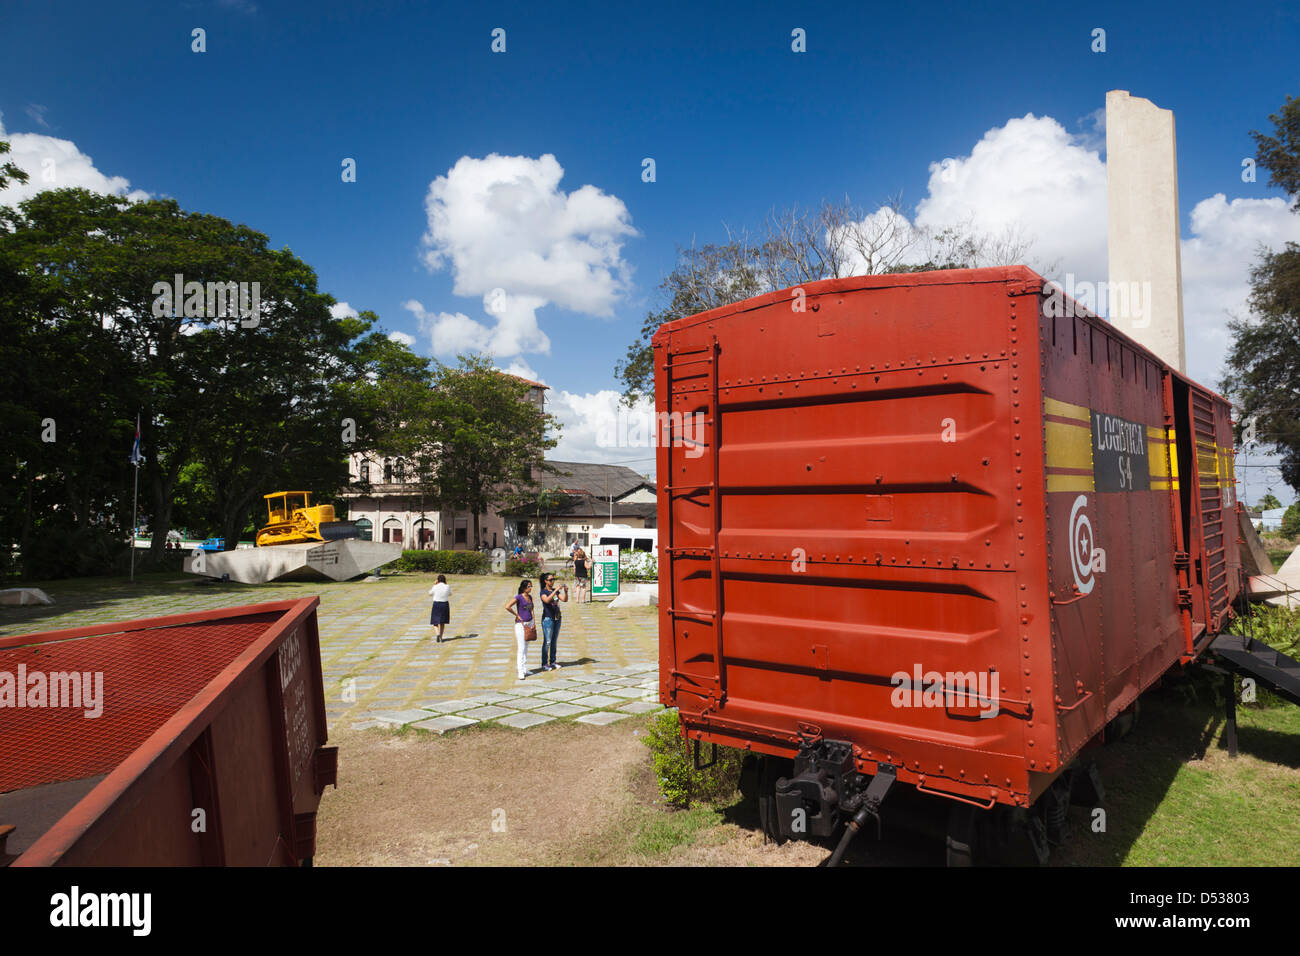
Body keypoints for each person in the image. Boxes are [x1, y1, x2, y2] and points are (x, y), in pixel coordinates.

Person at [503, 579, 536, 680]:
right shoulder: (518, 597)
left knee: (526, 647)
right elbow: (507, 606)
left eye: (531, 586)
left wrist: (534, 622)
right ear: (524, 587)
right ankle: (520, 671)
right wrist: (517, 615)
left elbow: (532, 610)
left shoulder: (530, 597)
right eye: (529, 586)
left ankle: (525, 668)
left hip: (529, 623)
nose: (530, 588)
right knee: (521, 648)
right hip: (521, 625)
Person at [538, 572, 568, 671]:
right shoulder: (543, 592)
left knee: (554, 641)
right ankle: (544, 663)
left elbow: (564, 600)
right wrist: (555, 590)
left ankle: (553, 661)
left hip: (557, 618)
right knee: (547, 641)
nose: (552, 581)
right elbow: (546, 600)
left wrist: (566, 592)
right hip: (548, 619)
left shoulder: (555, 592)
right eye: (550, 580)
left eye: (553, 579)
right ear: (545, 581)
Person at [429, 574, 451, 642]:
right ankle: (441, 637)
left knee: (435, 622)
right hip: (444, 604)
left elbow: (430, 593)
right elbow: (450, 594)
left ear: (437, 580)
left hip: (436, 604)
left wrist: (434, 585)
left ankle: (437, 634)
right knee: (442, 622)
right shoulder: (447, 586)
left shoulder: (435, 586)